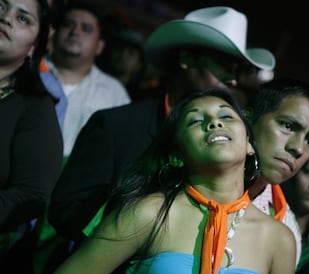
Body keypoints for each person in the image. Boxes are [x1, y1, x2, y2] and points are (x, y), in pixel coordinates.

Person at [29, 88, 296, 274]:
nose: (214, 123)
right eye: (194, 121)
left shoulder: (279, 240)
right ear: (176, 155)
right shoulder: (149, 213)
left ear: (250, 145)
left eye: (226, 115)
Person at [46, 6, 276, 246]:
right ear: (186, 59)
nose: (233, 79)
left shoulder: (224, 143)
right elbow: (66, 211)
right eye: (224, 65)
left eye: (237, 70)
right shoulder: (116, 126)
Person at [0, 0, 63, 274]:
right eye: (1, 6)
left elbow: (31, 194)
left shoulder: (35, 108)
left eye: (22, 18)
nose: (6, 18)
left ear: (34, 46)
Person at [246, 78, 309, 265]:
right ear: (248, 118)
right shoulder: (188, 186)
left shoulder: (288, 231)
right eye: (288, 126)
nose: (299, 148)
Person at [41, 0, 130, 157]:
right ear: (54, 33)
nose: (75, 32)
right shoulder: (32, 70)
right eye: (68, 24)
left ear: (99, 46)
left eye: (86, 29)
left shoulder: (114, 92)